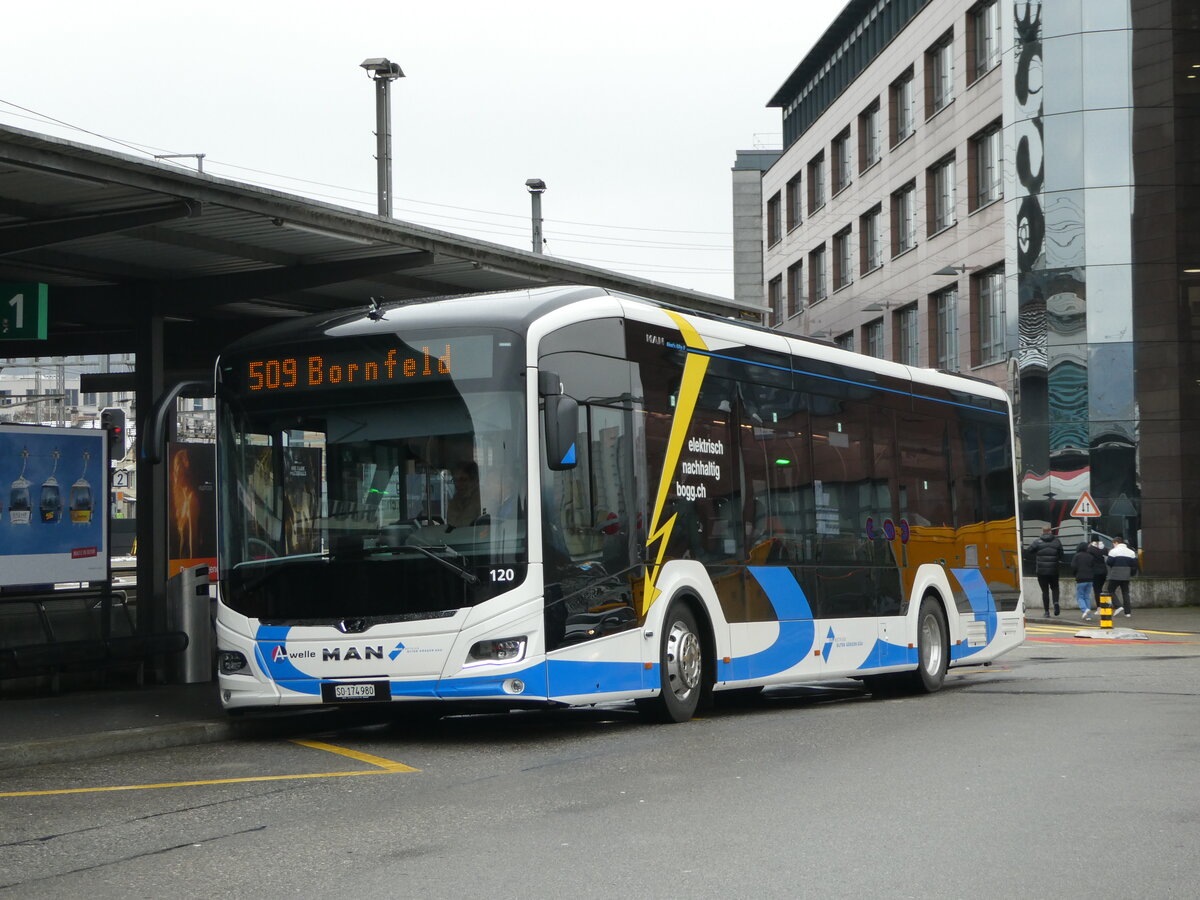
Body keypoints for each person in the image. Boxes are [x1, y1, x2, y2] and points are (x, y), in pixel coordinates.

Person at [1027, 526, 1064, 616]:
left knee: (1045, 591)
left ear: (1042, 532)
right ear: (1050, 531)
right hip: (1054, 570)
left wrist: (1037, 555)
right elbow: (1061, 554)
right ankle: (1055, 603)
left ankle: (1047, 612)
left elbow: (1029, 551)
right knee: (1055, 588)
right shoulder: (1057, 541)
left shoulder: (1037, 541)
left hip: (1041, 571)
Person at [1105, 534, 1140, 616]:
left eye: (1113, 543)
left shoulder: (1113, 551)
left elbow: (1109, 562)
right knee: (1125, 592)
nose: (1113, 545)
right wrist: (1131, 573)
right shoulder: (1131, 552)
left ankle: (1118, 606)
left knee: (1110, 590)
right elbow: (1134, 565)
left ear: (1116, 542)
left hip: (1116, 574)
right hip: (1126, 574)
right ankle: (1128, 613)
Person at [445, 460, 481, 528]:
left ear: (474, 480)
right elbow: (451, 526)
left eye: (463, 479)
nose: (458, 484)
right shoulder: (454, 502)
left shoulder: (482, 501)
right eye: (455, 480)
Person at [1069, 542, 1099, 620]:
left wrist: (1075, 574)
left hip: (1081, 579)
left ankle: (1085, 609)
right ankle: (1088, 616)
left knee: (1080, 597)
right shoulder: (1090, 556)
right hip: (1090, 579)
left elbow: (1073, 566)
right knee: (1087, 596)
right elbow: (1093, 566)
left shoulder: (1077, 556)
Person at [1088, 539, 1108, 607]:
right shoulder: (1103, 549)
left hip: (1095, 572)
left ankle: (1099, 607)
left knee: (1097, 590)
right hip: (1104, 571)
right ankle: (1104, 605)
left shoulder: (1090, 550)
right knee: (1100, 589)